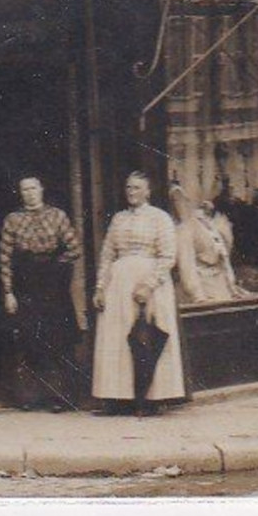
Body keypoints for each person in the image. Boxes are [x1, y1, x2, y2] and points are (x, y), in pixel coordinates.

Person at [92, 171, 185, 414]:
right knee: (117, 339)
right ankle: (118, 397)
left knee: (147, 337)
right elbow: (107, 255)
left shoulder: (160, 218)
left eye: (136, 188)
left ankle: (151, 398)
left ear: (147, 191)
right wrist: (100, 287)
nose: (131, 192)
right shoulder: (119, 219)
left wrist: (149, 284)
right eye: (128, 187)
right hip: (118, 285)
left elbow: (167, 256)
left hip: (148, 283)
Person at [0, 175, 86, 412]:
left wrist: (56, 267)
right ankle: (32, 396)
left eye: (33, 188)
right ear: (20, 193)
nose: (29, 193)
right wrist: (8, 292)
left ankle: (61, 396)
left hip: (53, 284)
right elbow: (5, 259)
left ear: (41, 189)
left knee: (58, 339)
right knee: (30, 340)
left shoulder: (57, 216)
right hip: (26, 283)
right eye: (24, 189)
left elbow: (74, 248)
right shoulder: (13, 220)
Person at [170, 183, 238, 305]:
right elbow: (187, 266)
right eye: (175, 201)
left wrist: (231, 284)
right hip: (202, 286)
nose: (180, 205)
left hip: (220, 281)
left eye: (182, 200)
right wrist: (198, 295)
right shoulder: (183, 230)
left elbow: (223, 254)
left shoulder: (203, 223)